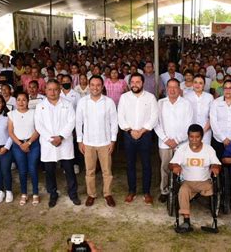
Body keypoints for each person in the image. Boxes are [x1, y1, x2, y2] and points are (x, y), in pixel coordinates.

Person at [34, 79, 81, 207]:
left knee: (69, 170)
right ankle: (53, 194)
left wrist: (60, 137)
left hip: (64, 142)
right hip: (48, 144)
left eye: (55, 89)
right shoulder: (40, 106)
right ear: (45, 90)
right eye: (50, 89)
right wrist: (51, 139)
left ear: (60, 90)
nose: (53, 92)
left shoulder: (67, 104)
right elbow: (39, 125)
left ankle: (73, 194)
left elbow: (72, 121)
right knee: (49, 172)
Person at [169, 124, 221, 233]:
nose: (194, 140)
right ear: (188, 137)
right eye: (191, 137)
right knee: (183, 190)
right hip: (187, 182)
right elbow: (171, 164)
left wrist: (215, 167)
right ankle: (186, 221)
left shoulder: (208, 149)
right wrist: (175, 166)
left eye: (197, 137)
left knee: (217, 190)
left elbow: (217, 164)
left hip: (205, 182)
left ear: (201, 137)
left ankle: (214, 221)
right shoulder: (182, 149)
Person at [76, 76, 118, 207]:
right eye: (92, 85)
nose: (95, 87)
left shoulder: (109, 102)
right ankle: (91, 194)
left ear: (102, 86)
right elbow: (78, 122)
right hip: (88, 143)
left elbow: (114, 122)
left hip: (105, 143)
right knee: (90, 171)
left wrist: (113, 140)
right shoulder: (82, 102)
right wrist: (79, 141)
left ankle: (107, 193)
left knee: (107, 171)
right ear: (89, 86)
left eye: (98, 85)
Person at [118, 72, 159, 205]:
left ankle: (146, 192)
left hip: (145, 135)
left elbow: (154, 117)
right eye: (133, 82)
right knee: (130, 164)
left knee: (146, 164)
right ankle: (132, 191)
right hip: (128, 135)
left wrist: (141, 131)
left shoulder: (151, 97)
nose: (135, 85)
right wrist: (130, 130)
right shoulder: (124, 97)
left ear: (143, 83)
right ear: (129, 84)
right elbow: (120, 117)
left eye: (138, 82)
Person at [155, 78, 193, 203]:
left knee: (182, 167)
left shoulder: (186, 103)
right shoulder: (160, 103)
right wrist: (166, 139)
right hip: (164, 143)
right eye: (169, 87)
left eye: (175, 87)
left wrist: (177, 140)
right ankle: (164, 191)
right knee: (165, 167)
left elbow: (189, 124)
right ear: (166, 89)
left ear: (179, 89)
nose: (172, 90)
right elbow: (156, 123)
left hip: (181, 143)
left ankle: (181, 191)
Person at [8, 92, 41, 206]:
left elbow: (38, 130)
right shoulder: (11, 114)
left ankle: (35, 193)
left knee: (32, 168)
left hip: (33, 143)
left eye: (23, 100)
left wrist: (28, 143)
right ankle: (24, 193)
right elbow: (10, 132)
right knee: (22, 170)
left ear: (28, 101)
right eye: (18, 100)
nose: (21, 102)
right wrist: (21, 144)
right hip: (18, 145)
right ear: (15, 101)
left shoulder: (34, 113)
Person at [184, 75, 214, 144]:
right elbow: (184, 116)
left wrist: (203, 131)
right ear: (192, 84)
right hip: (190, 131)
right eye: (195, 82)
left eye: (200, 83)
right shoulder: (186, 97)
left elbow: (212, 116)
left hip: (205, 131)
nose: (198, 85)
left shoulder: (209, 97)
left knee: (205, 151)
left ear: (204, 85)